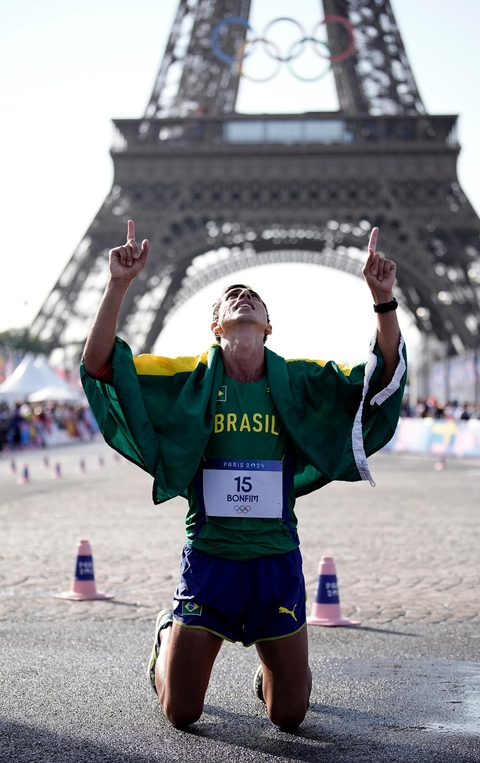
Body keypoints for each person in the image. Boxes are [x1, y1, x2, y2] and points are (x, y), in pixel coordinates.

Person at [81, 220, 406, 731]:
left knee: (289, 716)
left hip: (274, 561)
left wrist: (382, 300)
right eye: (232, 295)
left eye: (253, 296)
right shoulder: (189, 381)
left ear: (269, 326)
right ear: (216, 326)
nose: (243, 295)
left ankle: (274, 671)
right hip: (211, 560)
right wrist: (117, 286)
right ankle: (168, 636)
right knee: (182, 713)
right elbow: (100, 365)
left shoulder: (297, 381)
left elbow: (379, 377)